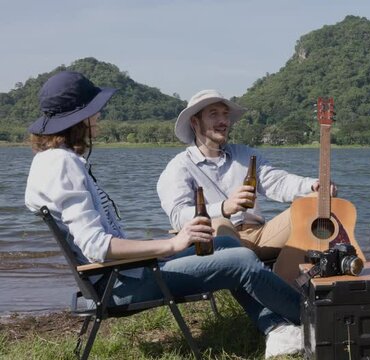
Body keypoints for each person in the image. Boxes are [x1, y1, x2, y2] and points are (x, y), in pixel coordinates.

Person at [24, 71, 304, 358]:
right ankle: (315, 320)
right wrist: (171, 244)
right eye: (94, 111)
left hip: (125, 272)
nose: (99, 117)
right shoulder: (63, 164)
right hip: (121, 283)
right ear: (79, 118)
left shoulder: (54, 160)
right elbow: (97, 246)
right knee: (243, 260)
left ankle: (278, 328)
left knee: (229, 245)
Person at [157, 89, 335, 284]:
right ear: (195, 122)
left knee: (314, 204)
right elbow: (177, 216)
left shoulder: (245, 154)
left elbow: (277, 181)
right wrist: (224, 208)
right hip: (222, 240)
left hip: (260, 235)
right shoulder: (180, 166)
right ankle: (269, 287)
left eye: (225, 114)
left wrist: (314, 186)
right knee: (218, 224)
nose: (223, 121)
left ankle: (290, 287)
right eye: (213, 114)